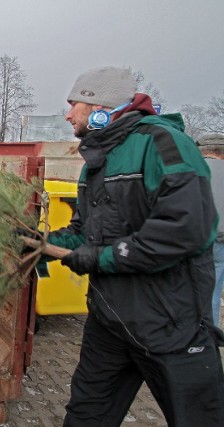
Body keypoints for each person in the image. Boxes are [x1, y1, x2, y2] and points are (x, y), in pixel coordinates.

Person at [44, 66, 224, 426]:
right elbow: (85, 232)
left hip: (169, 326)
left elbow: (184, 230)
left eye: (73, 104)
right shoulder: (97, 162)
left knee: (199, 418)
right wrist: (41, 243)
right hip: (110, 323)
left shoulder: (164, 143)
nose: (67, 114)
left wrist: (99, 258)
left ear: (101, 108)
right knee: (85, 416)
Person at [199, 134, 224, 327]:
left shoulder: (192, 169)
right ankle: (209, 335)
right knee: (213, 291)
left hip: (195, 240)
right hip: (221, 242)